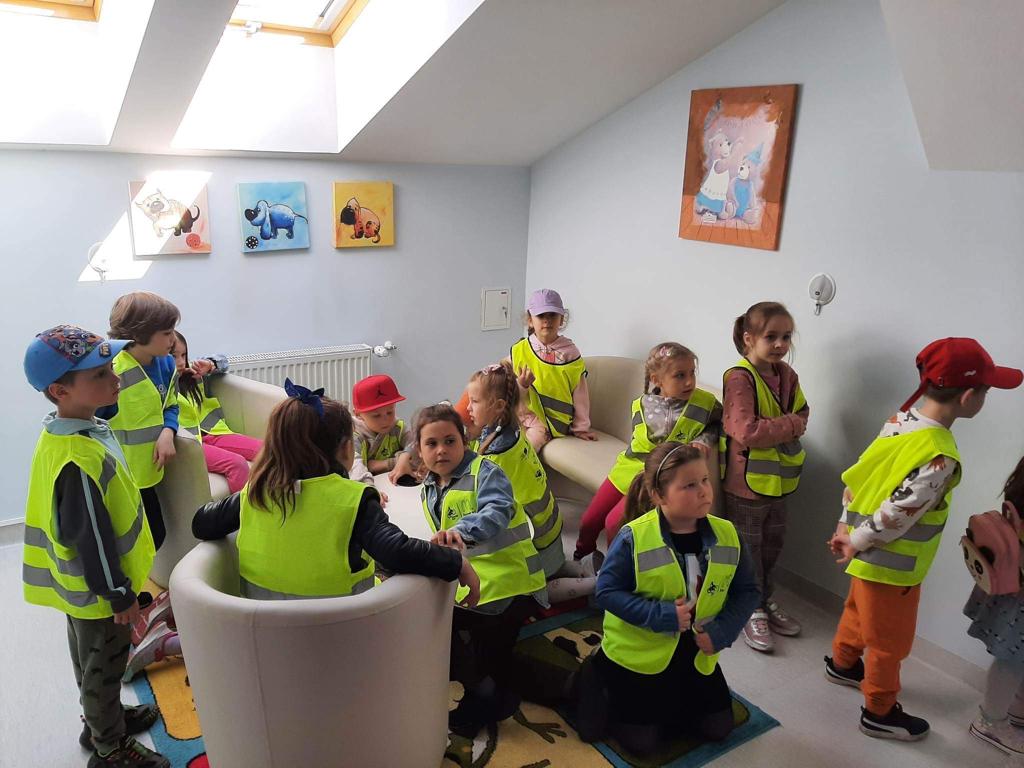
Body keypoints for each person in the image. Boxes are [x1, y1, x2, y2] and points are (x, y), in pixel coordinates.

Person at [825, 337, 1021, 741]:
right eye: (985, 391)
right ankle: (879, 711)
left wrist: (847, 528)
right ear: (968, 397)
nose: (984, 399)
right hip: (891, 565)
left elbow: (859, 477)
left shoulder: (899, 421)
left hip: (861, 551)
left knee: (858, 611)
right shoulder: (939, 454)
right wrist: (858, 541)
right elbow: (899, 512)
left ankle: (843, 664)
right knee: (889, 643)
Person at [22, 324, 169, 768]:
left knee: (92, 660)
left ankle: (101, 720)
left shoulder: (73, 431)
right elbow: (91, 537)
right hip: (102, 591)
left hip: (87, 587)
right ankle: (110, 748)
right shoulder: (76, 459)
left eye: (111, 368)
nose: (115, 378)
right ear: (60, 391)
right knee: (105, 664)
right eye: (100, 374)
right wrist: (119, 594)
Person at [192, 380, 479, 604]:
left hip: (264, 631)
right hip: (340, 632)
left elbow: (201, 523)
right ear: (345, 448)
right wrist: (455, 562)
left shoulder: (256, 492)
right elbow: (396, 551)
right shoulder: (355, 501)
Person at [578, 442, 759, 755]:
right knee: (642, 745)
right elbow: (606, 592)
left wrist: (722, 632)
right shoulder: (633, 537)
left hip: (696, 652)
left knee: (718, 729)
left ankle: (668, 700)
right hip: (640, 656)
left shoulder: (729, 534)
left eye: (705, 480)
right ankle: (595, 674)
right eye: (689, 485)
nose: (704, 491)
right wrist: (659, 614)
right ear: (659, 496)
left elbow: (748, 591)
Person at [417, 403, 548, 738]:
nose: (441, 450)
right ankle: (489, 682)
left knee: (464, 642)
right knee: (435, 625)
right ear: (419, 451)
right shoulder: (430, 486)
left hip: (510, 582)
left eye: (450, 441)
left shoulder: (485, 472)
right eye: (431, 443)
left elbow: (498, 509)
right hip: (478, 581)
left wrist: (461, 532)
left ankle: (489, 694)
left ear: (465, 442)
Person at [575, 341, 721, 559]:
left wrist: (703, 440)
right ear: (657, 379)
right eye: (680, 375)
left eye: (692, 372)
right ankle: (582, 558)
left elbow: (720, 424)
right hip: (626, 470)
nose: (689, 381)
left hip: (657, 477)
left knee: (614, 524)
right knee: (589, 520)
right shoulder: (640, 405)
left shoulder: (706, 404)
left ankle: (616, 568)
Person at [721, 301, 808, 652]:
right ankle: (748, 607)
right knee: (748, 549)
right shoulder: (739, 377)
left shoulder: (788, 375)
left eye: (786, 337)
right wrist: (790, 425)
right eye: (771, 336)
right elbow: (746, 431)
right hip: (746, 484)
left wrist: (785, 424)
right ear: (749, 338)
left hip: (780, 480)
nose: (780, 344)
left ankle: (763, 598)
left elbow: (804, 412)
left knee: (773, 544)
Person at [100, 292, 182, 551]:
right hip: (118, 478)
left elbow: (171, 404)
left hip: (148, 473)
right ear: (139, 334)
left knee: (155, 537)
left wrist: (168, 431)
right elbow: (93, 423)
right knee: (125, 544)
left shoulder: (166, 365)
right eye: (166, 333)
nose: (173, 339)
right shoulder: (113, 371)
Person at [963, 455, 1024, 757]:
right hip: (1019, 591)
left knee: (1016, 657)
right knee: (1012, 659)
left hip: (1012, 583)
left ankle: (1012, 708)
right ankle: (990, 722)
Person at [173, 330, 262, 493]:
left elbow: (223, 361)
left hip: (214, 433)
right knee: (237, 464)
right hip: (191, 443)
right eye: (173, 356)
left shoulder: (193, 372)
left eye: (183, 355)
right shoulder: (159, 386)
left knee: (267, 450)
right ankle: (240, 509)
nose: (180, 362)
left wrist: (210, 364)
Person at [508, 289, 596, 451]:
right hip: (520, 414)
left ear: (561, 319)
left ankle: (522, 466)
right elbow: (505, 382)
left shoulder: (570, 353)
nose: (547, 320)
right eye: (541, 316)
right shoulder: (519, 350)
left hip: (550, 421)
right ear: (530, 320)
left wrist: (581, 428)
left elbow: (580, 393)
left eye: (552, 315)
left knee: (527, 447)